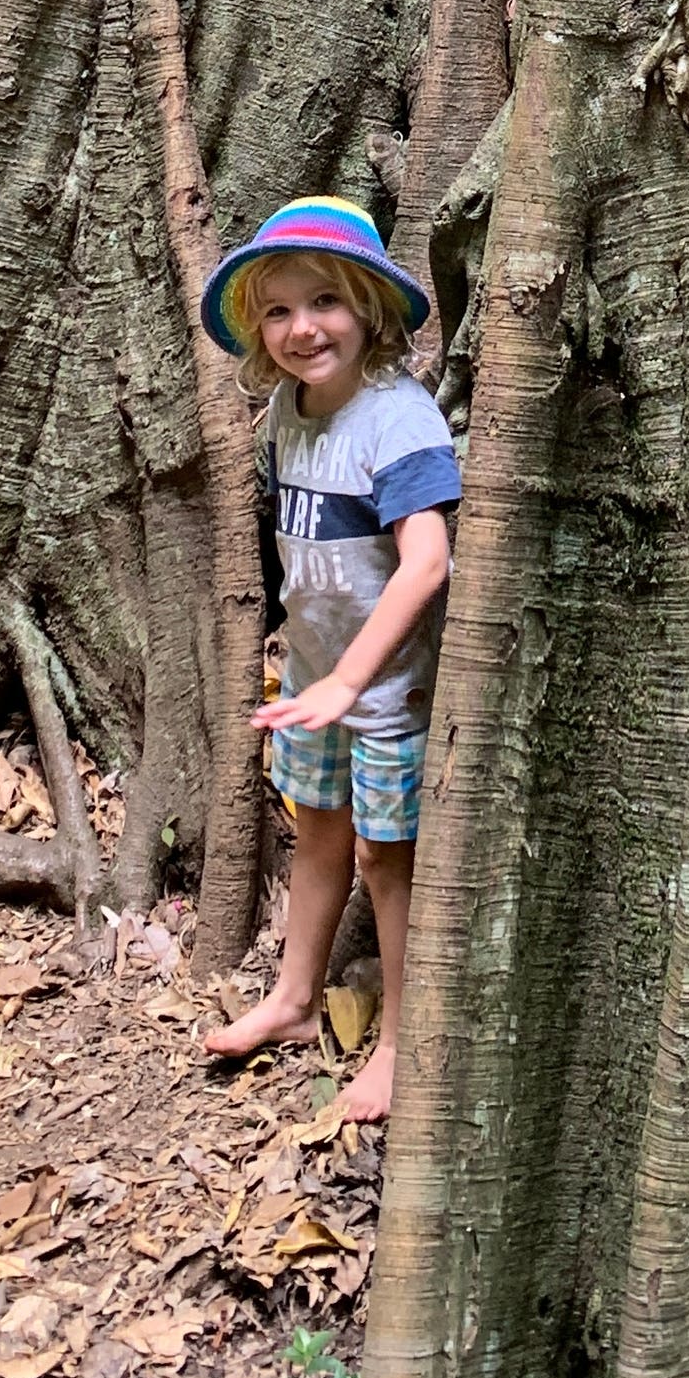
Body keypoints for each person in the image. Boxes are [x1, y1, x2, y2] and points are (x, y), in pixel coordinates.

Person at [197, 196, 458, 1120]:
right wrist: (314, 668)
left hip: (388, 689)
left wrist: (352, 678)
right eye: (277, 311)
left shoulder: (399, 419)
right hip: (313, 679)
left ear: (370, 309)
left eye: (325, 303)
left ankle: (400, 1042)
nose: (303, 328)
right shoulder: (283, 411)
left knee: (390, 858)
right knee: (318, 830)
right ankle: (296, 1000)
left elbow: (427, 561)